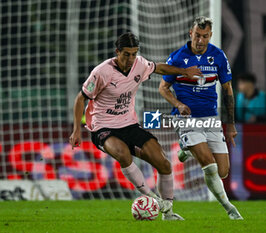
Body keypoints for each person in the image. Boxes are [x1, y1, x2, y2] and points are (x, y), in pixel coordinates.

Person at [69, 32, 202, 221]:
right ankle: (153, 199)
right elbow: (80, 99)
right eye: (126, 54)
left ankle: (169, 214)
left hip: (129, 124)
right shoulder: (101, 72)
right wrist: (76, 130)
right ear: (117, 52)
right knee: (123, 154)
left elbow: (159, 68)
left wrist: (184, 71)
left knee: (163, 163)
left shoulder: (139, 64)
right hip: (102, 127)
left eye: (134, 53)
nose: (131, 58)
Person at [159, 16, 243, 220]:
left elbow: (228, 89)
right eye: (197, 35)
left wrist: (231, 124)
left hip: (210, 118)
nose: (200, 40)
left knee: (223, 171)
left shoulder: (218, 56)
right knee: (210, 165)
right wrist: (178, 104)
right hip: (186, 119)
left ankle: (187, 151)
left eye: (205, 36)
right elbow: (163, 88)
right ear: (191, 33)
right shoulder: (178, 57)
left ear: (210, 36)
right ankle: (230, 209)